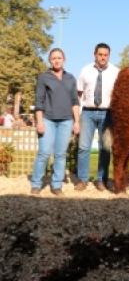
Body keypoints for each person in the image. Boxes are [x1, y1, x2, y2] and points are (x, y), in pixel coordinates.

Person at [30, 48, 80, 195]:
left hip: (66, 121)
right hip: (48, 120)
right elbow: (39, 101)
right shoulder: (43, 77)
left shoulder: (71, 78)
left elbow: (75, 101)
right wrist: (39, 122)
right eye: (53, 58)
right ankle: (36, 184)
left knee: (60, 154)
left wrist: (77, 121)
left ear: (64, 59)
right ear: (50, 61)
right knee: (44, 153)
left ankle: (56, 185)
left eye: (59, 58)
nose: (57, 60)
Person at [74, 43, 120, 191]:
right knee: (83, 147)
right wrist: (79, 113)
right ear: (94, 54)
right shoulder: (85, 71)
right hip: (87, 112)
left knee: (105, 148)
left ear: (109, 56)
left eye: (105, 55)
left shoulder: (116, 72)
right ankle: (82, 179)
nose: (103, 57)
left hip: (107, 113)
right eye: (100, 54)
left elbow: (119, 96)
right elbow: (78, 94)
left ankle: (101, 180)